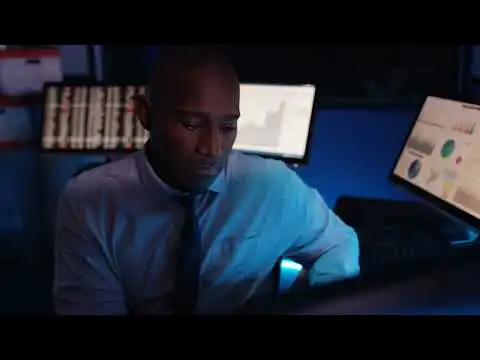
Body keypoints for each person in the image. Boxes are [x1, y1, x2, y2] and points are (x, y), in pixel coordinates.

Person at [53, 46, 360, 315]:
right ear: (146, 114)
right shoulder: (90, 201)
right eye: (190, 124)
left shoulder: (272, 187)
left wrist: (308, 302)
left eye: (227, 127)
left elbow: (338, 244)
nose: (212, 149)